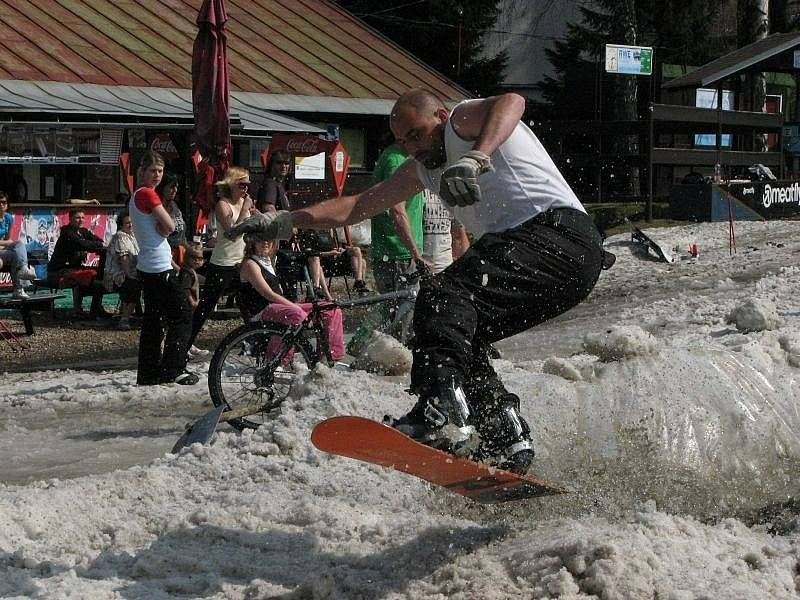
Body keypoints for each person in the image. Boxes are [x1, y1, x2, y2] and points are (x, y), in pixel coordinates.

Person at [228, 89, 606, 475]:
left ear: (439, 117)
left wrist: (478, 155)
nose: (414, 147)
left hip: (558, 237)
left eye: (418, 134)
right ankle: (504, 432)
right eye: (404, 141)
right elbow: (357, 206)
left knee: (440, 296)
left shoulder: (460, 124)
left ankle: (440, 409)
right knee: (458, 332)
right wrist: (287, 220)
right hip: (566, 267)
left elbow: (512, 101)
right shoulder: (422, 169)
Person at [129, 151, 197, 386]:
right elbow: (170, 225)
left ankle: (148, 374)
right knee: (182, 314)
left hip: (149, 266)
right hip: (159, 266)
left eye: (160, 171)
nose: (157, 176)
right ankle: (173, 368)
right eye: (152, 171)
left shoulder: (136, 195)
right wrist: (165, 226)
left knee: (154, 321)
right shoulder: (148, 193)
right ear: (142, 171)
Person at [237, 233, 345, 361]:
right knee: (295, 314)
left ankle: (330, 357)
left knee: (330, 309)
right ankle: (280, 360)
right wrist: (295, 307)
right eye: (261, 240)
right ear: (253, 242)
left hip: (277, 308)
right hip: (261, 313)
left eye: (269, 239)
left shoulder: (268, 260)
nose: (266, 243)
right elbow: (269, 294)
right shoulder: (250, 264)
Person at [186, 166, 254, 359]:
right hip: (223, 262)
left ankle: (254, 342)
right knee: (205, 307)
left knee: (248, 305)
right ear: (231, 185)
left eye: (248, 185)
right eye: (241, 184)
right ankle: (185, 344)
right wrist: (245, 209)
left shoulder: (245, 202)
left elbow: (250, 228)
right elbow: (232, 232)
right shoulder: (223, 204)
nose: (245, 189)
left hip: (242, 262)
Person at [368, 141, 429, 343]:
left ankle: (375, 364)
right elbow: (397, 211)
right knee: (402, 325)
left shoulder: (400, 157)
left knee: (395, 318)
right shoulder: (396, 161)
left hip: (395, 252)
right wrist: (415, 253)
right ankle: (373, 362)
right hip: (398, 254)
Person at [47, 208, 111, 319]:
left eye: (82, 217)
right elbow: (82, 244)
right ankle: (77, 310)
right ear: (70, 219)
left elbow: (98, 241)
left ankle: (97, 307)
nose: (81, 220)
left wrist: (92, 244)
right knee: (82, 277)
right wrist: (90, 245)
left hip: (74, 268)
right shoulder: (67, 233)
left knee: (99, 274)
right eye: (77, 217)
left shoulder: (83, 232)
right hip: (58, 270)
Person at [103, 211, 141, 331]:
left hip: (133, 270)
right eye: (127, 223)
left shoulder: (134, 236)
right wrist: (129, 275)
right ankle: (124, 318)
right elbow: (123, 258)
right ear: (121, 225)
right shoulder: (120, 236)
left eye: (132, 222)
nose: (130, 225)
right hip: (117, 273)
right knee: (132, 283)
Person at [422, 189, 470, 273]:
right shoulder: (415, 190)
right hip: (418, 265)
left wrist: (466, 266)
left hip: (445, 265)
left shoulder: (450, 193)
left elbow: (459, 234)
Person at [0, 191, 36, 298]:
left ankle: (22, 276)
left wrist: (6, 244)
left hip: (2, 250)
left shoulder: (9, 218)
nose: (1, 204)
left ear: (7, 204)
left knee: (19, 245)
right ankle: (19, 287)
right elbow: (8, 241)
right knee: (15, 252)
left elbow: (8, 239)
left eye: (3, 202)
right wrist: (7, 243)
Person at [156, 172, 187, 268]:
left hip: (181, 254)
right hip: (165, 256)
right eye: (171, 187)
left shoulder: (174, 205)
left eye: (176, 187)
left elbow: (182, 233)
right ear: (162, 188)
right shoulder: (158, 208)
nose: (175, 190)